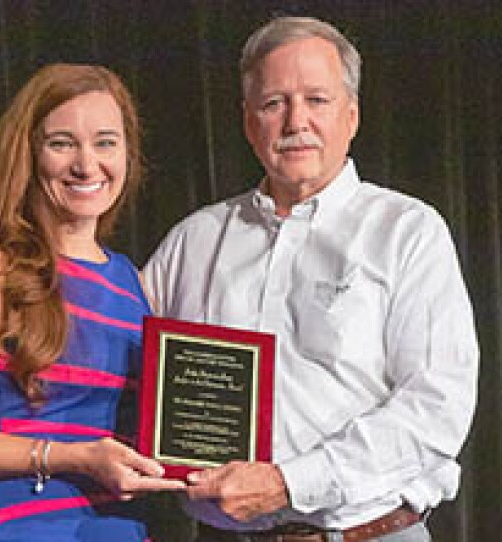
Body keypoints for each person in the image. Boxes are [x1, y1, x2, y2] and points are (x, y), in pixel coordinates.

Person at [143, 16, 479, 542]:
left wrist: (288, 483)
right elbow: (116, 368)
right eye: (274, 103)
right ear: (248, 121)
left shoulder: (406, 231)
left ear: (352, 115)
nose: (296, 120)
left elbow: (436, 409)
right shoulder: (193, 242)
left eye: (317, 100)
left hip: (371, 533)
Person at [0, 63, 183, 541]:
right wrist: (73, 456)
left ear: (128, 155)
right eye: (61, 143)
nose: (86, 164)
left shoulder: (135, 285)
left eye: (105, 142)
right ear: (28, 155)